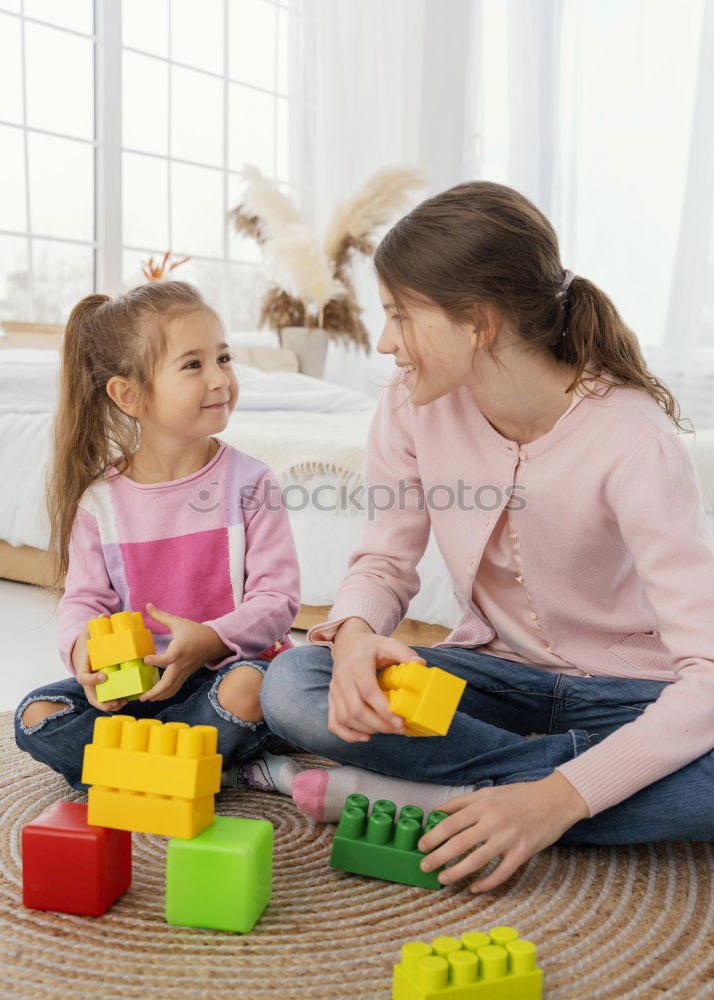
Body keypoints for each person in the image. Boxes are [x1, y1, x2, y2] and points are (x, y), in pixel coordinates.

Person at [256, 180, 714, 893]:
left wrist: (554, 798)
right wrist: (350, 641)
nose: (385, 343)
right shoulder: (410, 408)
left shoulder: (633, 442)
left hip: (634, 692)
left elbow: (708, 675)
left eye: (402, 316)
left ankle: (493, 794)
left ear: (480, 322)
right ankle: (592, 777)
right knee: (293, 684)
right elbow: (383, 557)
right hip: (494, 675)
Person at [14, 281, 300, 790]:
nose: (220, 379)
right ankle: (205, 763)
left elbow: (277, 600)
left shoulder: (251, 482)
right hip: (137, 686)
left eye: (224, 357)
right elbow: (84, 600)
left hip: (222, 673)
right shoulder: (100, 501)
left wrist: (211, 637)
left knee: (251, 691)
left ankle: (138, 768)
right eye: (193, 365)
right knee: (36, 714)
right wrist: (84, 653)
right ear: (130, 394)